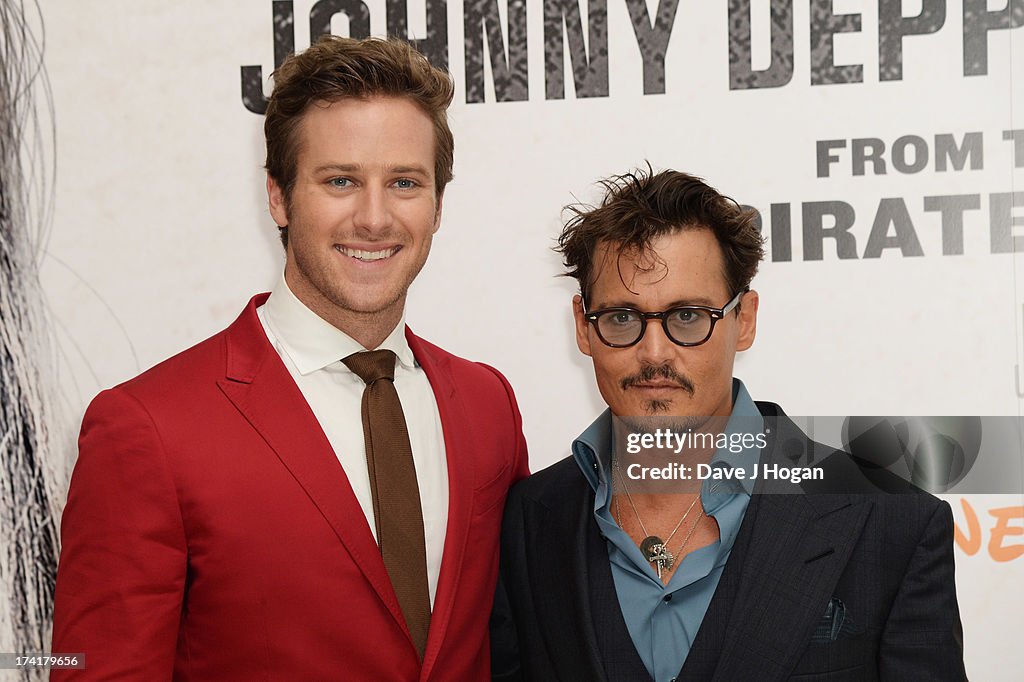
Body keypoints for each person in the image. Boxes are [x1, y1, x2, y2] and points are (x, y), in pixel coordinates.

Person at [51, 36, 528, 680]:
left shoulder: (486, 403)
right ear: (277, 196)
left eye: (405, 183)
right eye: (340, 181)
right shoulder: (147, 429)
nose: (374, 217)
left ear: (439, 204)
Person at [490, 168, 966, 681]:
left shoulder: (893, 523)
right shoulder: (529, 521)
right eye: (623, 318)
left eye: (688, 317)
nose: (654, 354)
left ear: (747, 320)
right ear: (584, 328)